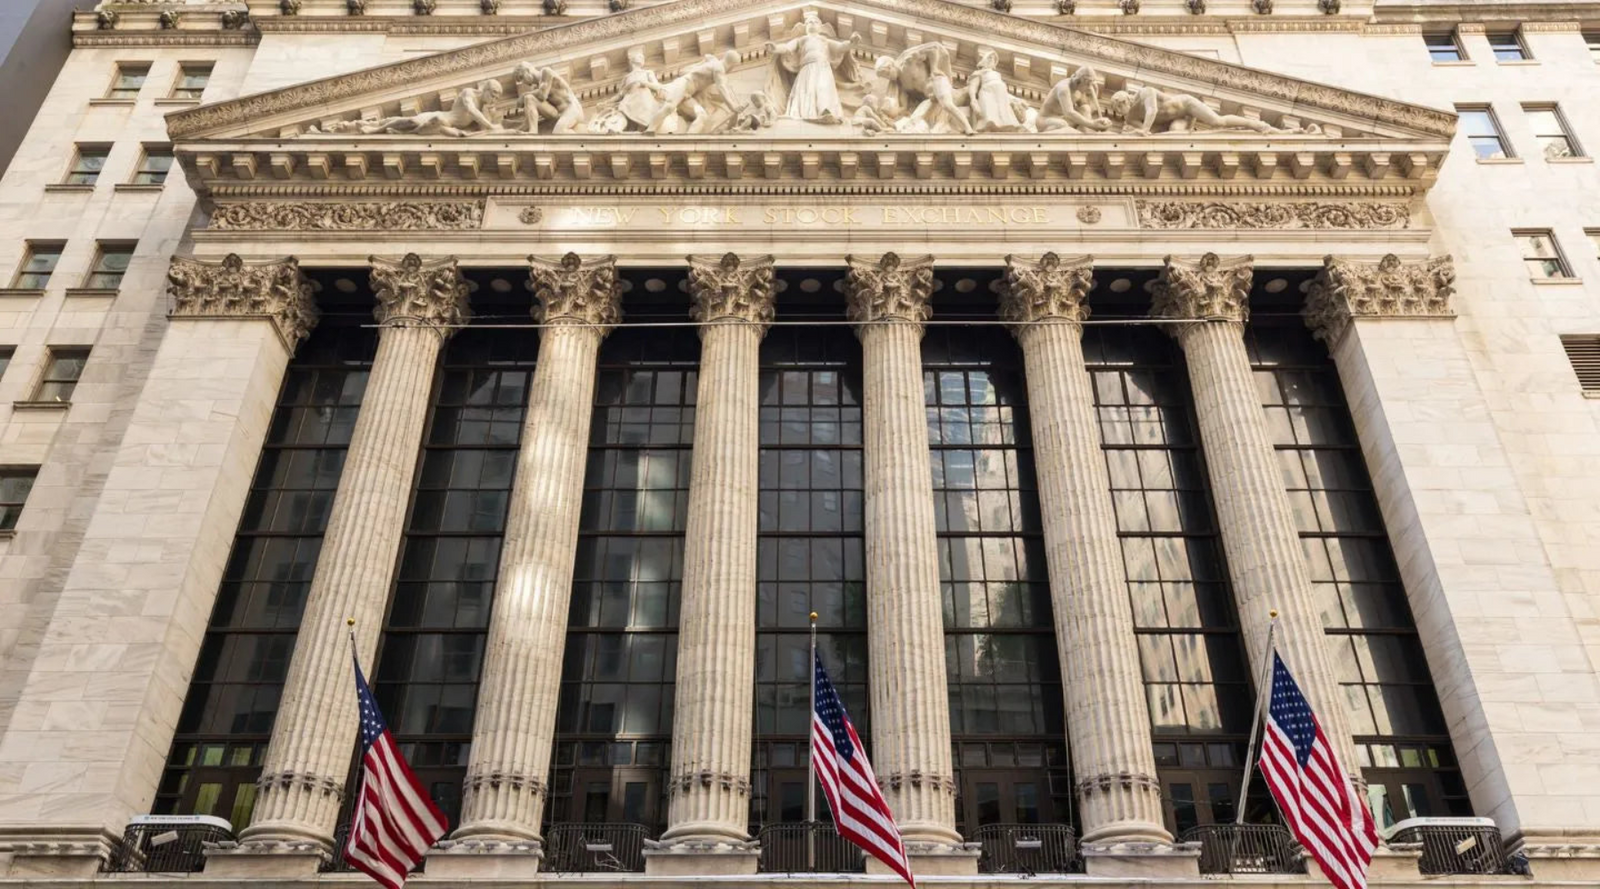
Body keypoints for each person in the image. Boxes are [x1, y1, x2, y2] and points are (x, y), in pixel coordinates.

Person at [765, 11, 860, 123]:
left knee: (823, 88)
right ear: (805, 27)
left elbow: (840, 47)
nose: (812, 23)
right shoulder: (802, 40)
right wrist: (775, 48)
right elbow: (787, 47)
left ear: (820, 27)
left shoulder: (824, 40)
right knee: (806, 90)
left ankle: (825, 111)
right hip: (807, 68)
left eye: (815, 22)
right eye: (809, 22)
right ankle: (806, 113)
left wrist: (852, 43)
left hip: (822, 68)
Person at [1107, 85, 1291, 135]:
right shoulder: (1129, 118)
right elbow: (1146, 133)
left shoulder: (1144, 93)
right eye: (1116, 109)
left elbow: (1152, 111)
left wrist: (1144, 131)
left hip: (1186, 106)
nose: (1119, 111)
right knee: (1175, 136)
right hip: (1177, 120)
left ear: (1125, 100)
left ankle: (1257, 125)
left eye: (1119, 106)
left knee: (1217, 122)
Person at [877, 43, 972, 135]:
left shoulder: (908, 60)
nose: (888, 78)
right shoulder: (901, 85)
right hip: (932, 99)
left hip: (936, 83)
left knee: (947, 105)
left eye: (886, 74)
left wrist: (934, 68)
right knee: (916, 117)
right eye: (885, 77)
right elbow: (904, 108)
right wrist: (887, 114)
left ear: (890, 66)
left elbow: (934, 48)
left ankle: (968, 128)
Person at [645, 50, 742, 135]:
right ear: (732, 64)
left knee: (702, 116)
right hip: (683, 85)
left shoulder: (713, 61)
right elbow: (722, 87)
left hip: (688, 94)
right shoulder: (719, 68)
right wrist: (733, 106)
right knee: (670, 106)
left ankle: (689, 140)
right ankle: (651, 129)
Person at [362, 79, 505, 136]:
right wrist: (491, 126)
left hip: (447, 127)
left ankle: (401, 133)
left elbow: (483, 132)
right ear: (486, 90)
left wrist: (489, 114)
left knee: (417, 129)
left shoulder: (485, 107)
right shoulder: (469, 93)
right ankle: (375, 130)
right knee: (412, 121)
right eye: (494, 95)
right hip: (442, 117)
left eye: (497, 98)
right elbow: (471, 111)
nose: (494, 100)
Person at [967, 47, 1028, 132]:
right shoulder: (979, 73)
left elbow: (1005, 94)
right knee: (989, 116)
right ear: (984, 60)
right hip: (988, 93)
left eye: (993, 59)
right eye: (989, 58)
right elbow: (973, 87)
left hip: (1001, 97)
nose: (991, 60)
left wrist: (1017, 99)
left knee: (1004, 115)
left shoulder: (997, 75)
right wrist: (973, 100)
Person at [1036, 66, 1113, 133]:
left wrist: (1100, 122)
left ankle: (1086, 137)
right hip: (1046, 120)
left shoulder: (1079, 90)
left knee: (1085, 109)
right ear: (1078, 81)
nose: (1089, 87)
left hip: (1063, 118)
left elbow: (1087, 110)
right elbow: (1069, 113)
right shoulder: (1064, 89)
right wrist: (1092, 124)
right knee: (1062, 124)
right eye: (1088, 84)